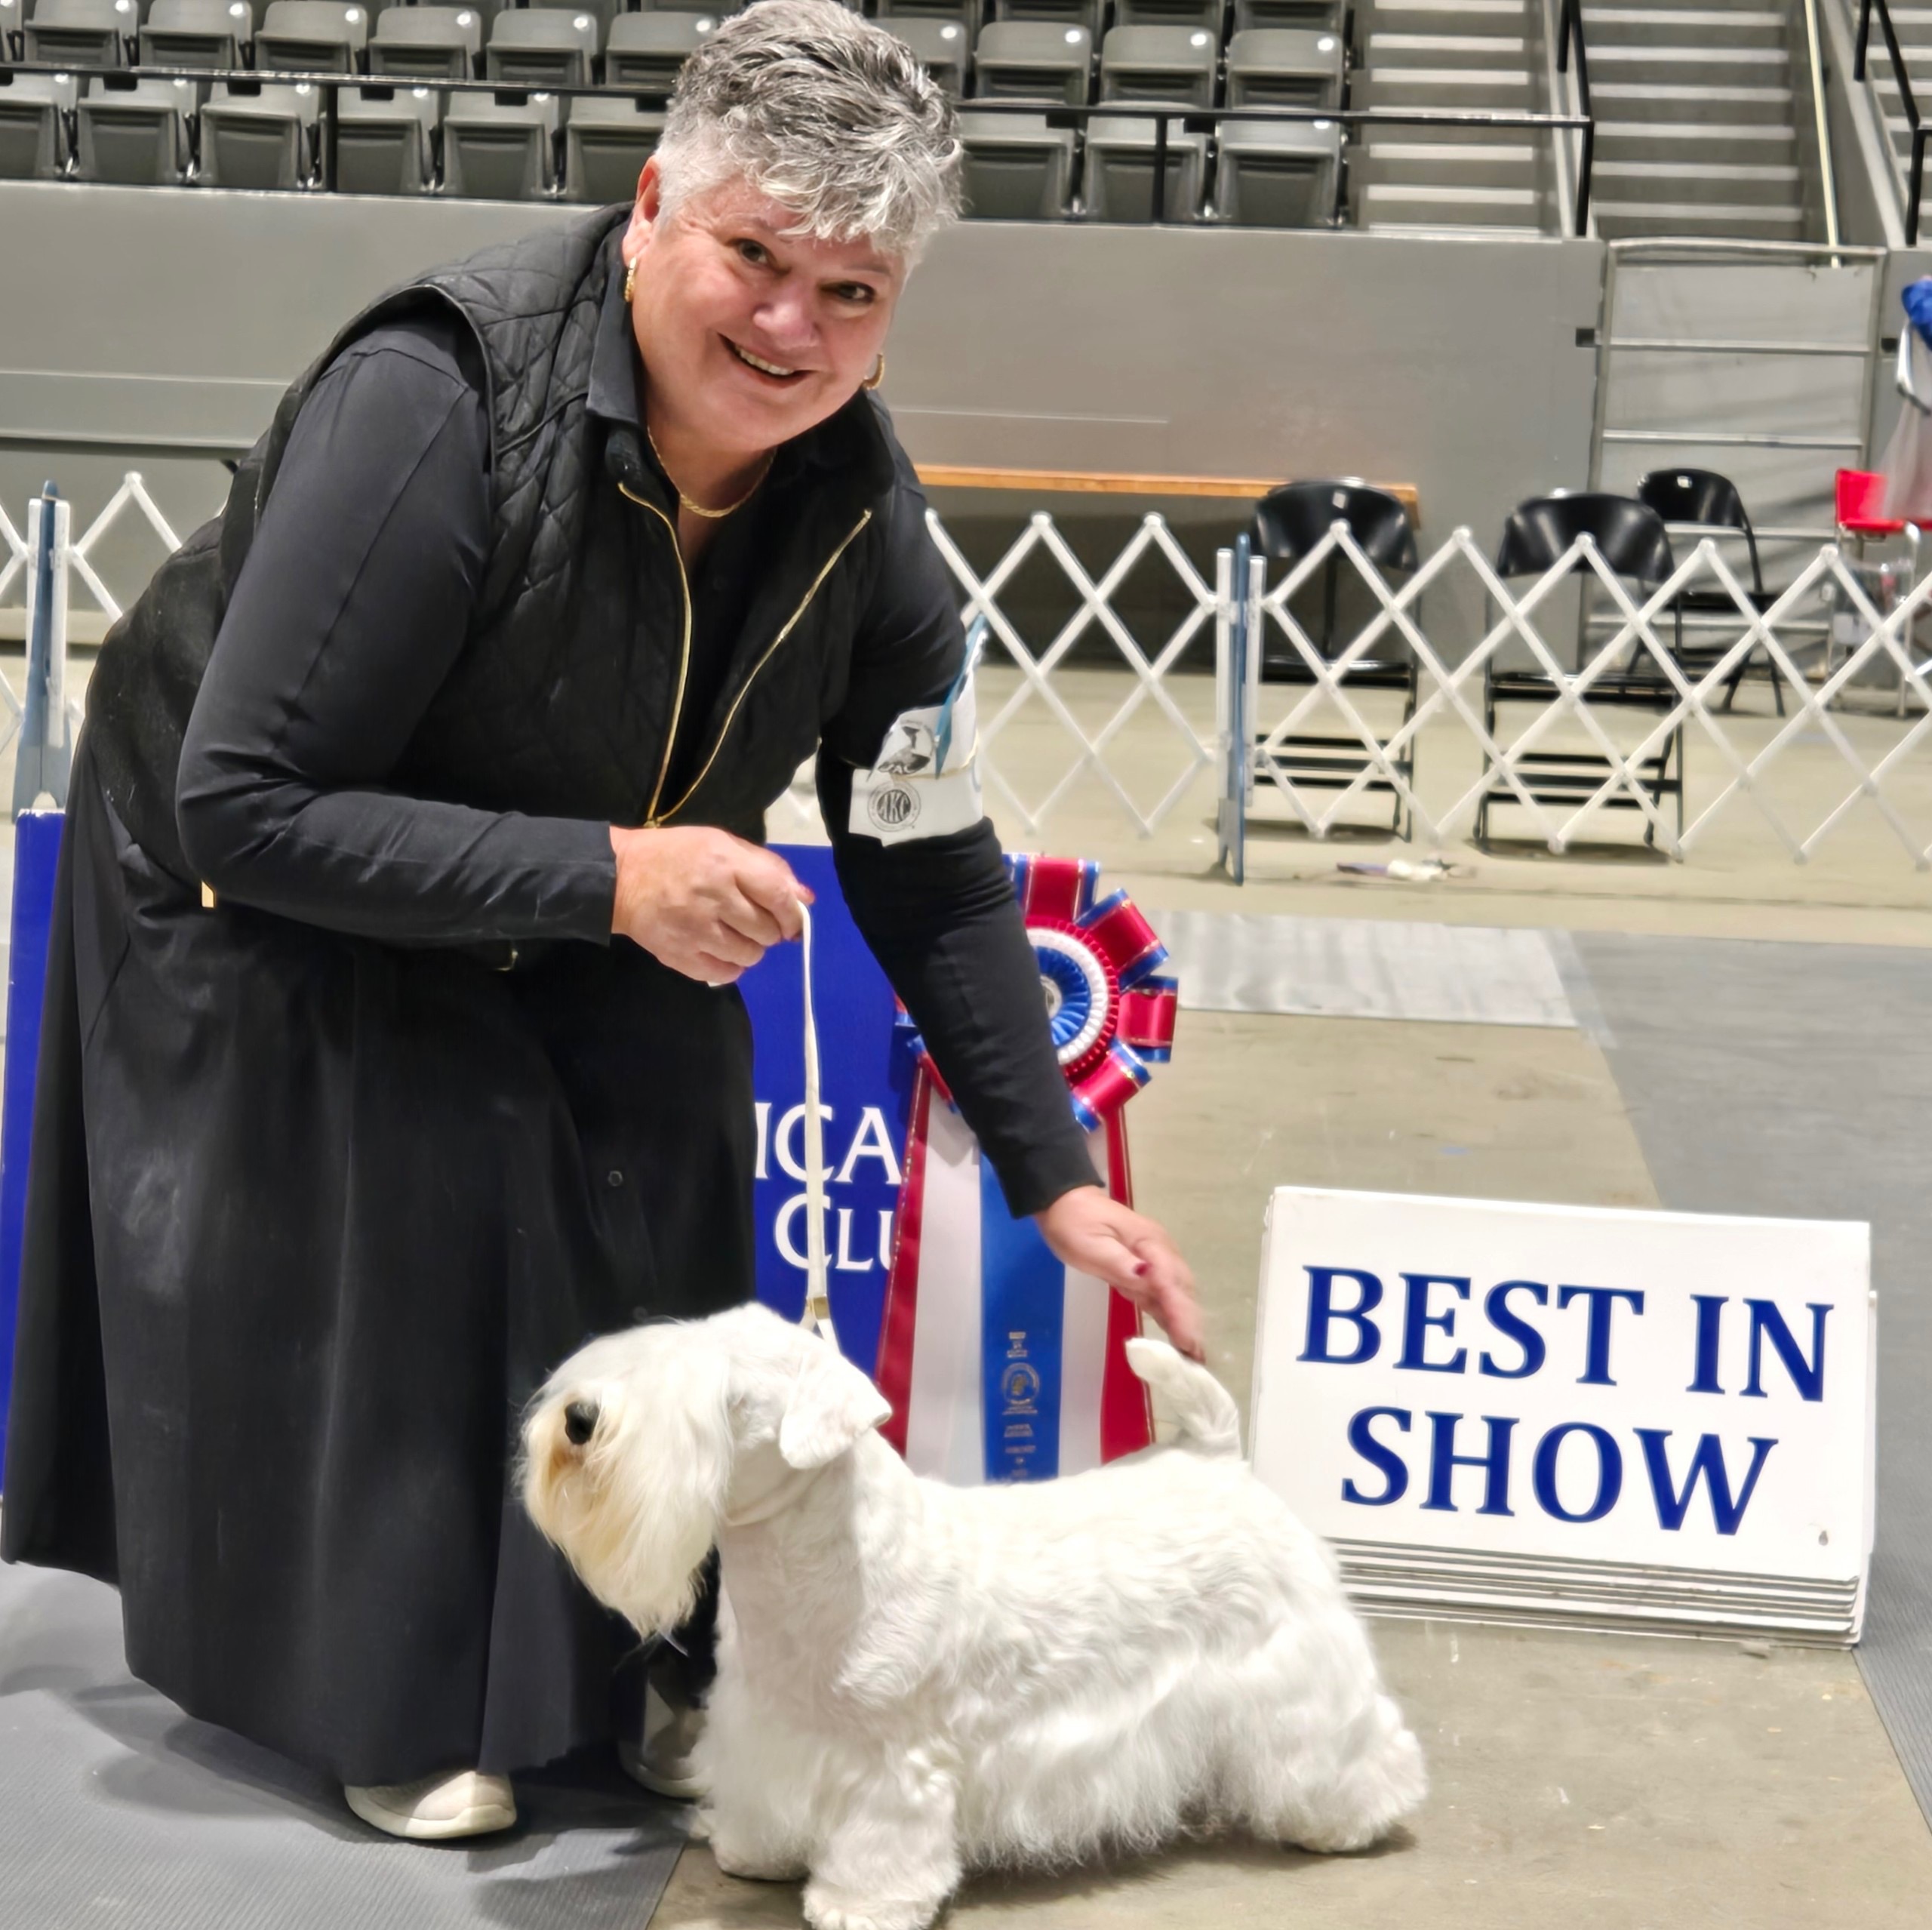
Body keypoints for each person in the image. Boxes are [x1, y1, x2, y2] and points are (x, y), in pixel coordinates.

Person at [1, 0, 1200, 1844]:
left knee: (676, 1109)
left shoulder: (865, 513)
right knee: (442, 1145)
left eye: (852, 292)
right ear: (651, 208)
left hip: (571, 855)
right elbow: (250, 799)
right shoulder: (430, 398)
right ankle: (395, 1688)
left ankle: (632, 1655)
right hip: (251, 853)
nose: (793, 328)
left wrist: (1054, 1171)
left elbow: (927, 857)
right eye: (755, 259)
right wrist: (616, 875)